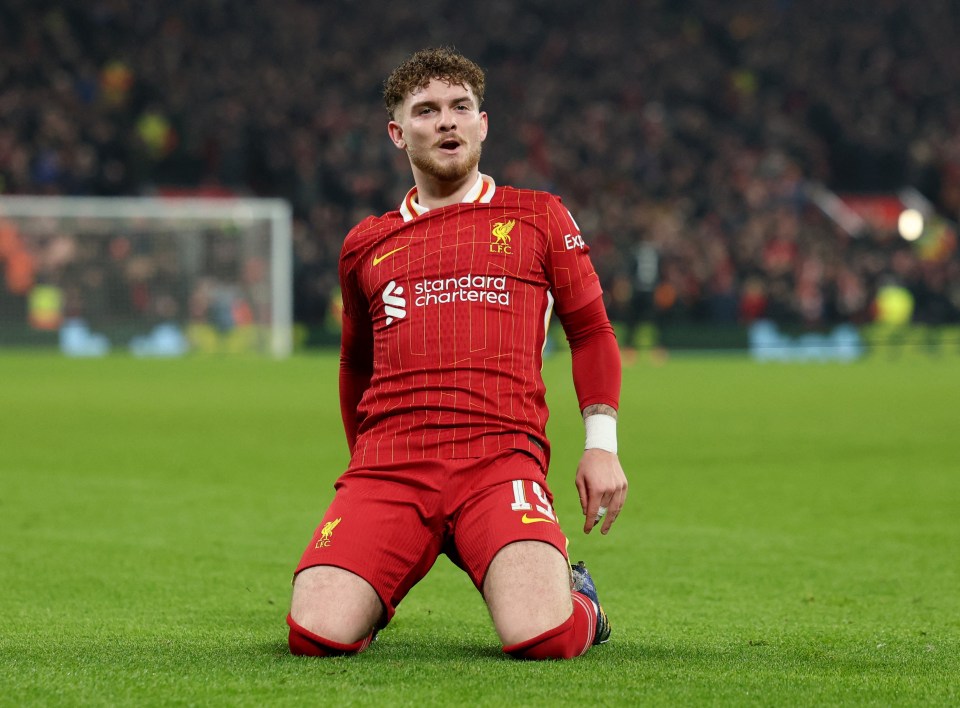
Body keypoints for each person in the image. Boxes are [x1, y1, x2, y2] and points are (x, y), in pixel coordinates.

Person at [287, 47, 628, 660]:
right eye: (427, 111)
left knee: (544, 638)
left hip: (499, 461)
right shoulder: (366, 243)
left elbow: (592, 331)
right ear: (398, 133)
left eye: (460, 107)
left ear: (483, 123)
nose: (446, 121)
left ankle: (583, 600)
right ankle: (371, 584)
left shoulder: (537, 216)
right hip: (391, 468)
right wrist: (361, 470)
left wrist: (601, 447)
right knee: (314, 635)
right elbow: (354, 367)